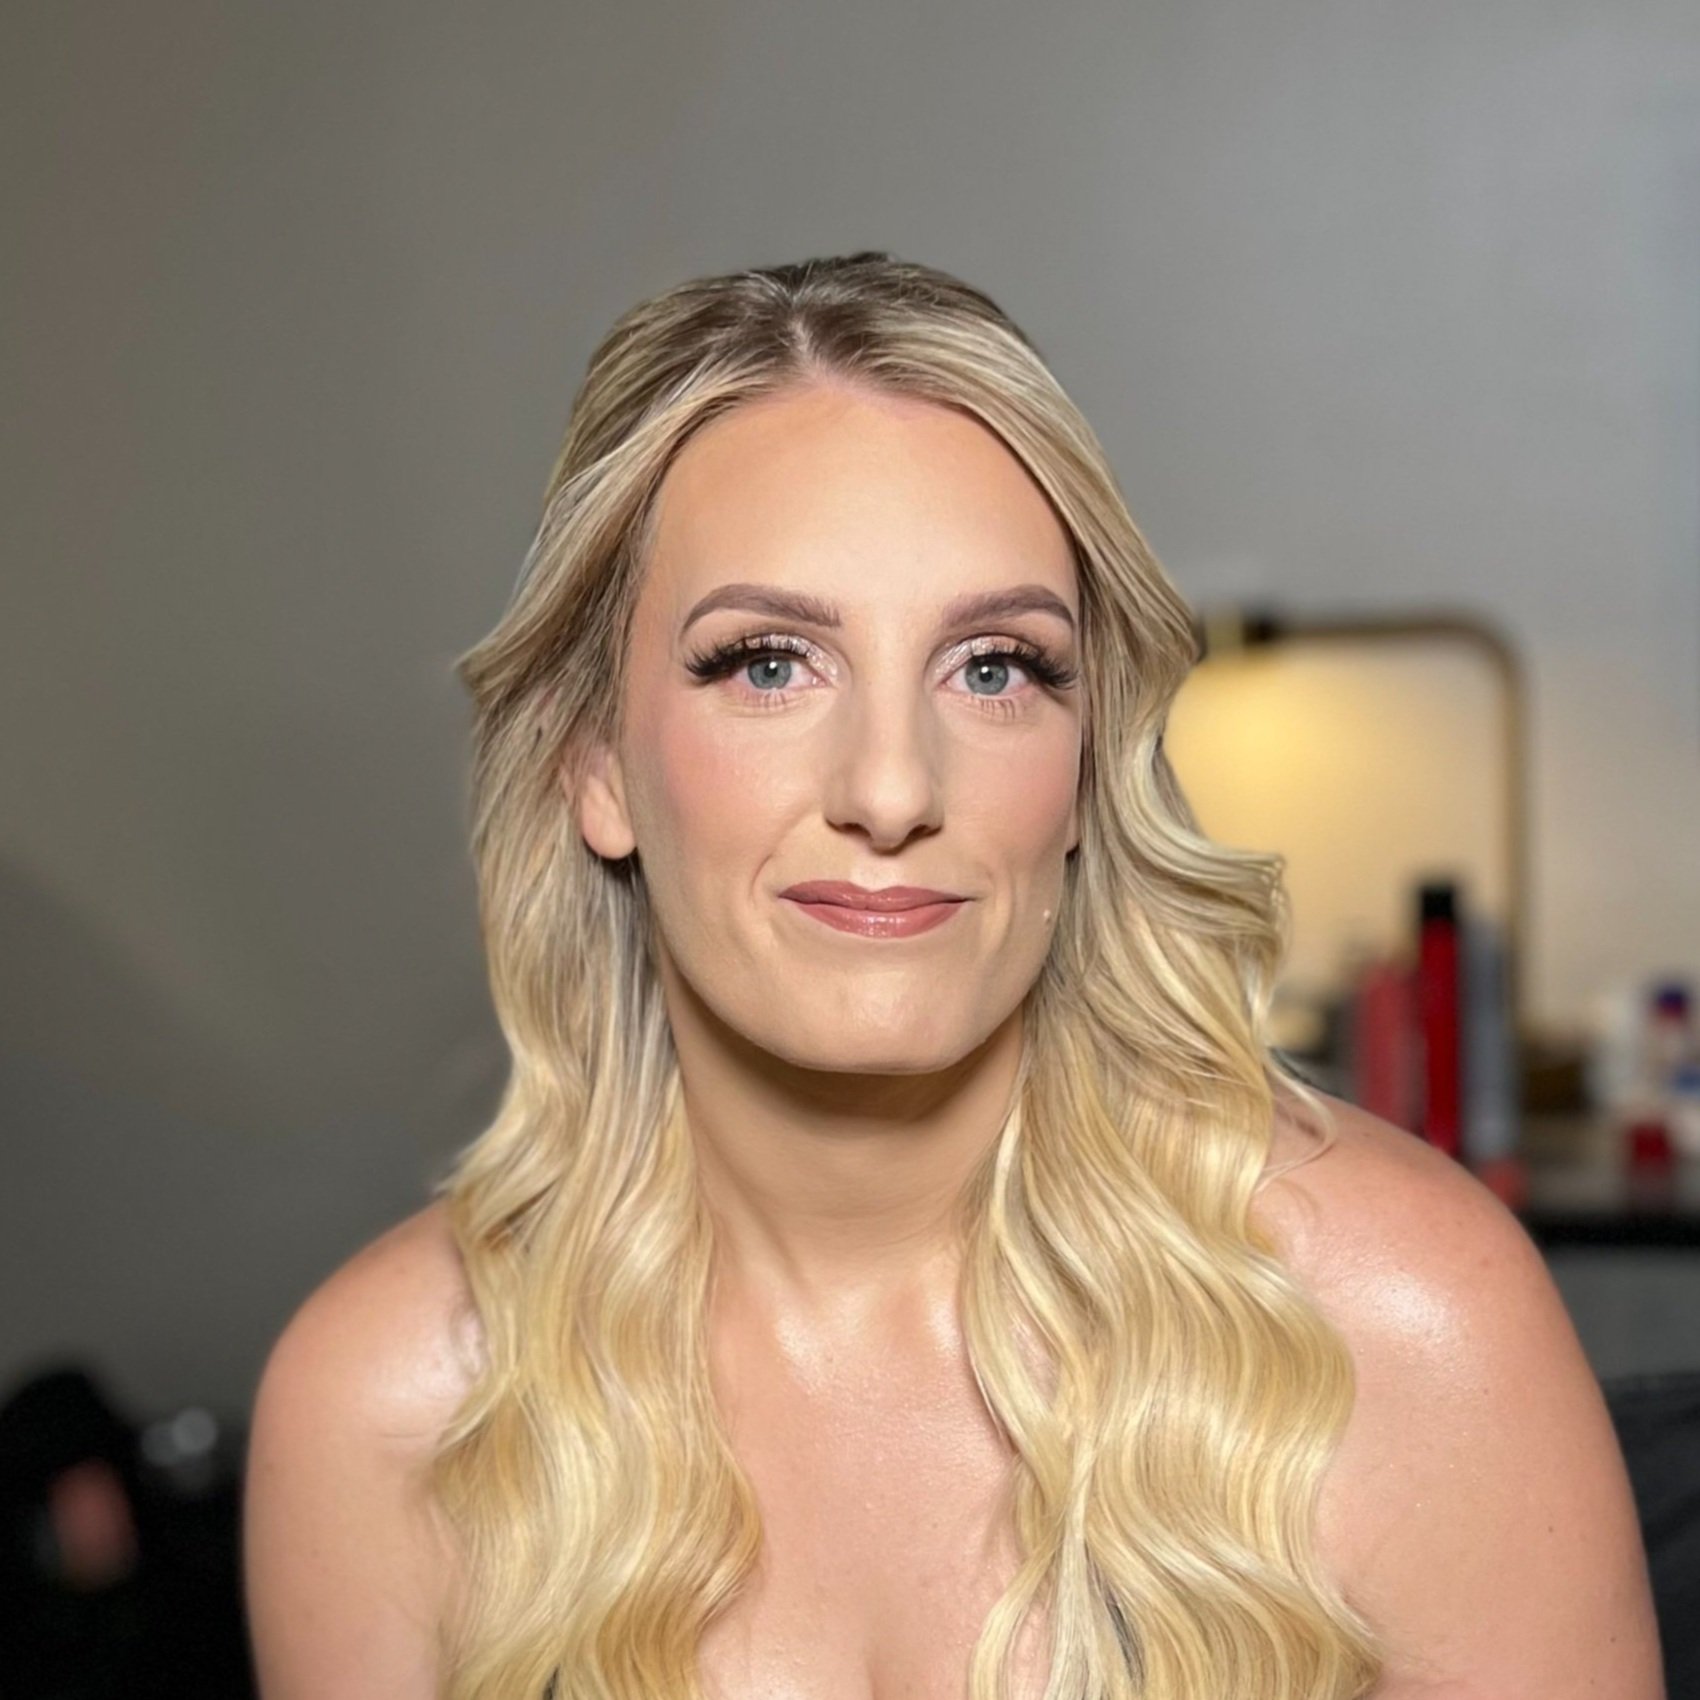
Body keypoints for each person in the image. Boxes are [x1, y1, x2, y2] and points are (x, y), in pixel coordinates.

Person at [242, 252, 1664, 1699]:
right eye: (766, 662)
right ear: (596, 764)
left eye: (993, 668)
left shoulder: (1402, 1327)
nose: (890, 786)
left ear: (1082, 765)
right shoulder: (384, 1415)